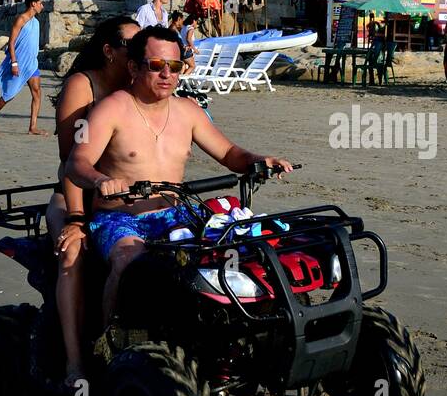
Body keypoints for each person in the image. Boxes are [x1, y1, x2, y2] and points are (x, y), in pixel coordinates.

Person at [65, 26, 294, 326]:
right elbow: (76, 162)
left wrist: (259, 160)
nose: (167, 75)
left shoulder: (188, 110)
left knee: (237, 248)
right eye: (157, 66)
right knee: (127, 261)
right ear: (134, 67)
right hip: (120, 218)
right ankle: (111, 340)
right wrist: (99, 180)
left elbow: (229, 154)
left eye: (174, 66)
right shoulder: (111, 109)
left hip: (176, 213)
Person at [46, 16, 140, 387]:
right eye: (131, 46)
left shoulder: (136, 84)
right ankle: (74, 364)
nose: (139, 53)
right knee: (73, 254)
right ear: (109, 51)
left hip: (125, 199)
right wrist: (75, 217)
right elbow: (70, 163)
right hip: (75, 194)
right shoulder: (82, 86)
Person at [0, 0, 44, 135]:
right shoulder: (21, 19)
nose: (42, 6)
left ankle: (33, 127)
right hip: (19, 62)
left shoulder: (36, 22)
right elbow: (11, 42)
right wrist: (14, 63)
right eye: (40, 3)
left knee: (37, 92)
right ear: (33, 4)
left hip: (32, 64)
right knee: (9, 95)